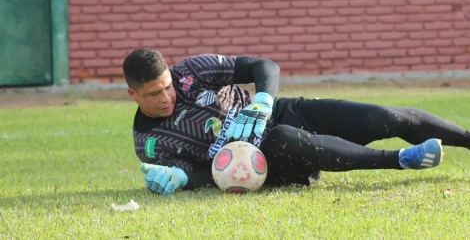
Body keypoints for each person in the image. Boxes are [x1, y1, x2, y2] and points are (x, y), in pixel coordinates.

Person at [123, 48, 470, 195]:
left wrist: (261, 100)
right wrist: (180, 177)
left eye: (167, 87)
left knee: (384, 117)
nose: (167, 97)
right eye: (154, 94)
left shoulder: (190, 71)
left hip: (282, 111)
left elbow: (265, 66)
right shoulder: (149, 145)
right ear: (133, 95)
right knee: (286, 138)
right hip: (263, 159)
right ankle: (401, 160)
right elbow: (199, 178)